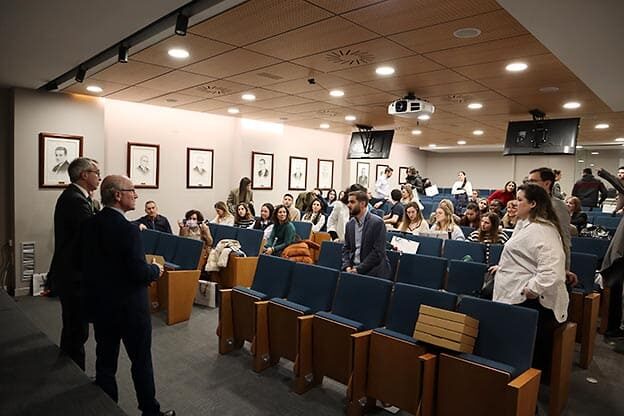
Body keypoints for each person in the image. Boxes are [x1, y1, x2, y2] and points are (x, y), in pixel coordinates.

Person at [77, 175, 174, 416]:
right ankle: (150, 410)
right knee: (140, 361)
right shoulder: (128, 230)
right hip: (131, 309)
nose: (136, 195)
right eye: (132, 190)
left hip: (102, 305)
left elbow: (86, 265)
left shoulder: (90, 224)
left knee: (105, 361)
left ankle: (107, 408)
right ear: (118, 195)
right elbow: (138, 273)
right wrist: (155, 270)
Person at [492, 183, 569, 383]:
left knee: (523, 352)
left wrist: (531, 289)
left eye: (519, 200)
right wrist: (504, 267)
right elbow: (524, 256)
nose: (514, 203)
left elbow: (552, 270)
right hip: (515, 291)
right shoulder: (524, 224)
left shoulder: (543, 230)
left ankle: (525, 386)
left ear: (533, 204)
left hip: (532, 300)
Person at [48, 157, 100, 370]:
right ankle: (74, 375)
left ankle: (67, 368)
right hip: (73, 274)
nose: (99, 177)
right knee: (77, 329)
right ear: (84, 175)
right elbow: (91, 234)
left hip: (70, 271)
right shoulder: (75, 200)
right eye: (96, 173)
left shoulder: (78, 197)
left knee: (72, 326)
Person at [596, 168, 624, 343]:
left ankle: (617, 329)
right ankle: (614, 327)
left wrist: (606, 175)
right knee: (615, 289)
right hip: (619, 253)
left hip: (621, 254)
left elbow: (621, 187)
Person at [528, 167, 573, 273]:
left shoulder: (558, 207)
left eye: (533, 181)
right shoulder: (528, 204)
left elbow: (564, 239)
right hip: (528, 260)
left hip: (547, 262)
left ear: (547, 183)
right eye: (528, 181)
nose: (528, 185)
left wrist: (565, 269)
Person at [341, 190, 391, 279]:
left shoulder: (377, 223)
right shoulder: (350, 224)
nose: (348, 205)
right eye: (348, 202)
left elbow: (378, 252)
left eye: (352, 202)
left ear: (362, 204)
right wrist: (347, 266)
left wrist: (358, 269)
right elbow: (346, 248)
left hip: (372, 271)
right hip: (352, 269)